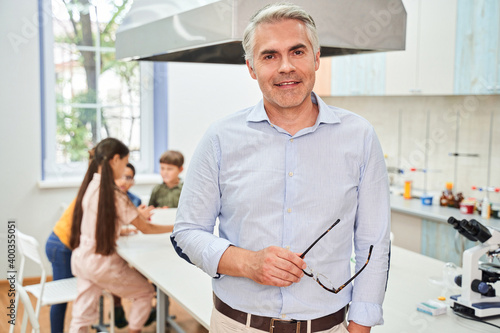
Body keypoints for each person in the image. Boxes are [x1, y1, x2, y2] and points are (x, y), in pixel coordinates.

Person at [170, 3, 390, 333]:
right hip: (236, 325)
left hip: (327, 326)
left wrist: (360, 326)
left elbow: (373, 241)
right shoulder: (220, 138)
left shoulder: (359, 137)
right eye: (269, 56)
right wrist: (248, 263)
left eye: (297, 51)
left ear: (316, 58)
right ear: (251, 67)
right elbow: (187, 232)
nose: (285, 67)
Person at [69, 138, 173, 333]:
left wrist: (121, 229)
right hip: (101, 263)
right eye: (125, 163)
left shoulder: (90, 185)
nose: (124, 169)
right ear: (115, 159)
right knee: (145, 292)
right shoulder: (113, 193)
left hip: (82, 258)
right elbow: (146, 228)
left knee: (80, 316)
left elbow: (97, 223)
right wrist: (176, 227)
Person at [45, 149, 94, 333]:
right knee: (61, 297)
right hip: (61, 246)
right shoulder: (95, 187)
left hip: (58, 242)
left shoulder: (90, 183)